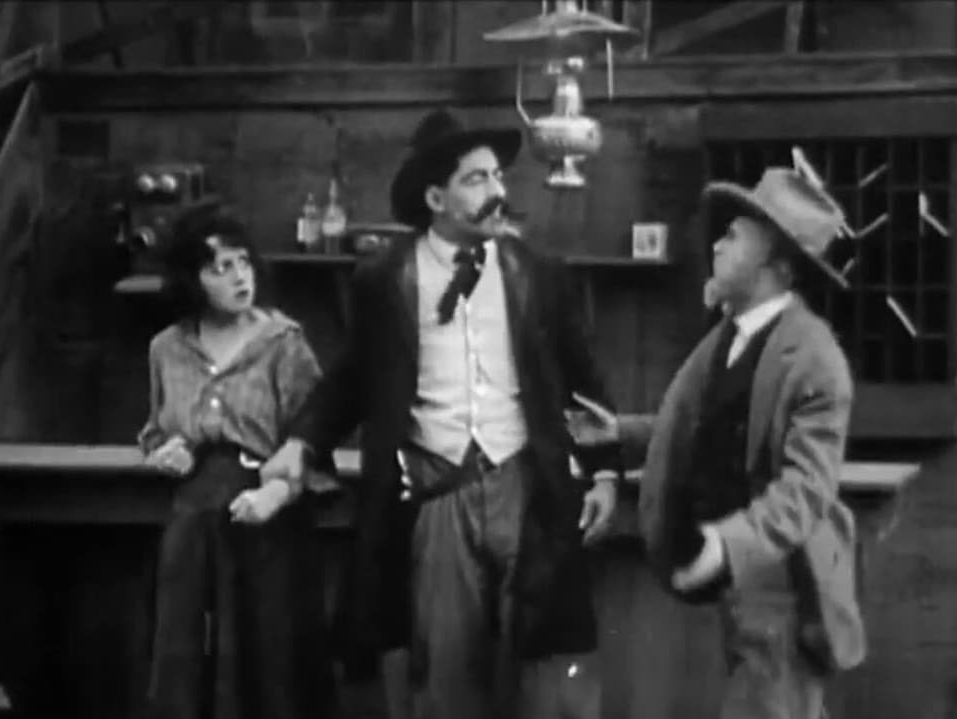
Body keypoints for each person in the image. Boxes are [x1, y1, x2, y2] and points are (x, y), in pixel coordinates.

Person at [261, 108, 622, 719]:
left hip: (524, 487)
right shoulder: (385, 280)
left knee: (541, 673)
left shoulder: (537, 275)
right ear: (436, 198)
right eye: (476, 179)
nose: (497, 191)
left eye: (498, 177)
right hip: (434, 491)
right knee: (443, 674)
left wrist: (607, 471)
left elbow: (583, 378)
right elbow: (352, 379)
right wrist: (302, 443)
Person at [621, 168, 866, 719]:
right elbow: (697, 426)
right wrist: (615, 435)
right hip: (738, 590)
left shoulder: (815, 358)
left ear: (777, 266)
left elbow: (807, 490)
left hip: (786, 585)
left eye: (734, 236)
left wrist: (724, 546)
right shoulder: (730, 336)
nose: (717, 245)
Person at [137, 206, 336, 719]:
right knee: (185, 661)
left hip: (266, 521)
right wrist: (168, 449)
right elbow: (157, 427)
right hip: (192, 521)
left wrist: (277, 492)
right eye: (219, 268)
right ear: (192, 279)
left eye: (243, 262)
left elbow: (316, 441)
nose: (238, 277)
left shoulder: (284, 344)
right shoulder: (167, 348)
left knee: (268, 665)